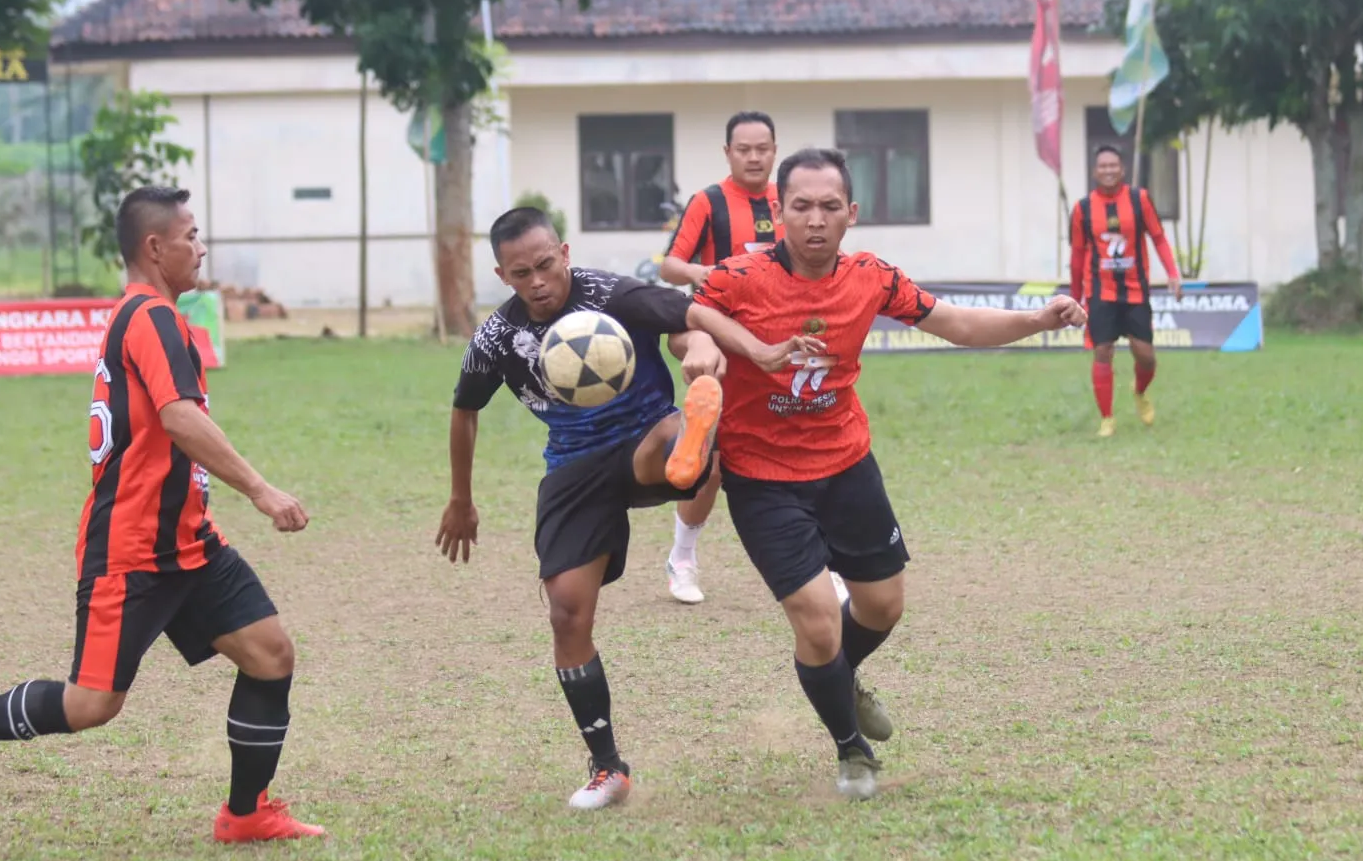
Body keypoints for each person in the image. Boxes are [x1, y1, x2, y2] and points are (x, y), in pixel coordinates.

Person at [691, 148, 1087, 800]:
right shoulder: (736, 276)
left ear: (851, 214)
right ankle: (852, 748)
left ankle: (838, 677)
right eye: (800, 206)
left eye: (827, 207)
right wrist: (704, 357)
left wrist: (1038, 319)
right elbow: (691, 327)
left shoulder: (870, 278)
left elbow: (955, 323)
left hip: (846, 464)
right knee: (817, 620)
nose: (814, 220)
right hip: (762, 475)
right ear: (777, 213)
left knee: (882, 605)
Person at [436, 206, 815, 810]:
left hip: (647, 436)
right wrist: (461, 497)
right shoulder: (497, 338)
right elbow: (464, 409)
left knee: (674, 455)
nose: (537, 281)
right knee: (566, 612)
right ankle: (607, 768)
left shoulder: (609, 292)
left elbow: (691, 315)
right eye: (520, 273)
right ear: (502, 275)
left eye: (544, 265)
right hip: (574, 468)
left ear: (563, 252)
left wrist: (734, 352)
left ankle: (695, 444)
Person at [0, 186, 324, 843]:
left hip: (190, 542)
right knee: (91, 706)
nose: (200, 249)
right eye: (191, 236)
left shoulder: (146, 316)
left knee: (269, 653)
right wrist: (262, 490)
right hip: (134, 546)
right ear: (155, 247)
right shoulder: (152, 318)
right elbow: (178, 417)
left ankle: (247, 812)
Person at [656, 110, 793, 605]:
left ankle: (822, 561)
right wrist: (710, 273)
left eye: (763, 149)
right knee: (710, 461)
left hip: (773, 343)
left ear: (775, 150)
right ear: (728, 153)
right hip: (710, 328)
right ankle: (682, 559)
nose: (754, 157)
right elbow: (670, 266)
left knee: (796, 450)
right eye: (744, 149)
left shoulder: (791, 201)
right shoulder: (708, 201)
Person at [1068, 144, 1183, 437]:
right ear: (1095, 172)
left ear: (1122, 169)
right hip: (1100, 293)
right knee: (1102, 351)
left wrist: (1172, 273)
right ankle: (1107, 418)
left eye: (1113, 166)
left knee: (1146, 356)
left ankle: (1140, 390)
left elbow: (1158, 237)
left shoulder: (1139, 199)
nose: (1108, 170)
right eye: (1102, 166)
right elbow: (1078, 255)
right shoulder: (1082, 209)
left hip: (1134, 292)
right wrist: (1074, 297)